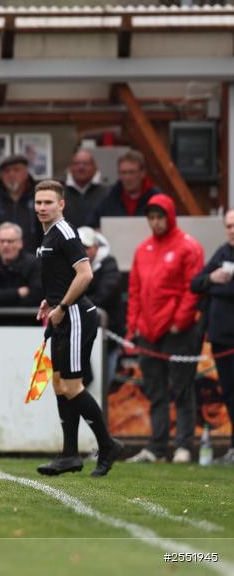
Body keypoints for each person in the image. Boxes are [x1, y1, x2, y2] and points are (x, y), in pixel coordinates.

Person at [32, 179, 122, 478]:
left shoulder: (65, 233)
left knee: (72, 386)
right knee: (59, 384)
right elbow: (63, 275)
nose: (42, 207)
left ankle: (107, 445)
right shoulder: (48, 235)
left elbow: (85, 275)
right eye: (38, 202)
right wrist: (51, 300)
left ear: (61, 204)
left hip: (76, 316)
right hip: (63, 313)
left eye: (48, 202)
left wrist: (61, 307)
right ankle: (70, 455)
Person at [125, 194, 203, 464]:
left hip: (176, 331)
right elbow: (134, 291)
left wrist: (178, 322)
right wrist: (132, 328)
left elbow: (192, 289)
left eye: (160, 218)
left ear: (170, 217)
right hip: (148, 331)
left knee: (182, 389)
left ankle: (183, 445)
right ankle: (157, 447)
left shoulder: (188, 247)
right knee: (155, 391)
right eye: (152, 218)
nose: (156, 223)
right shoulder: (143, 249)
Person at [191, 209, 234, 465]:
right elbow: (195, 283)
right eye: (228, 226)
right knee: (228, 393)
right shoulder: (222, 252)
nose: (232, 230)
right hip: (220, 338)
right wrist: (212, 279)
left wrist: (217, 286)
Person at [77, 226, 124, 380]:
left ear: (96, 247)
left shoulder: (108, 264)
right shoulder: (70, 266)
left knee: (104, 378)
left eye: (86, 247)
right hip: (79, 331)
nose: (83, 251)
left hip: (107, 331)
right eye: (79, 247)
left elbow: (105, 293)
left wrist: (76, 303)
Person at [0, 222, 43, 327]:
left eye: (10, 241)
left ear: (20, 243)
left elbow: (37, 297)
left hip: (28, 328)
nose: (5, 245)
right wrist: (19, 293)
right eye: (1, 241)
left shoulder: (34, 264)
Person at [88, 150, 161, 228]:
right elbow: (90, 227)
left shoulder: (157, 199)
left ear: (142, 173)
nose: (127, 177)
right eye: (123, 172)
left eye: (131, 172)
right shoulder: (108, 199)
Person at [63, 150, 107, 228]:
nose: (81, 167)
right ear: (70, 168)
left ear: (95, 168)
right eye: (77, 163)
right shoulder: (59, 194)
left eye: (86, 164)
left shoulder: (106, 194)